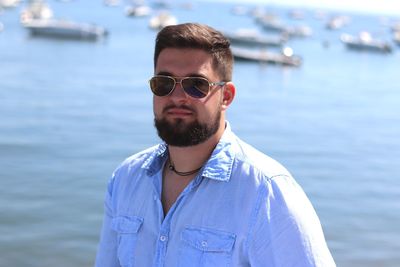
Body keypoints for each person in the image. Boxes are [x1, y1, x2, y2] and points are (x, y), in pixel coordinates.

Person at [95, 23, 336, 267]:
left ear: (226, 96)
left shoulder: (266, 193)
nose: (177, 97)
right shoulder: (126, 179)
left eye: (196, 85)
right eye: (164, 83)